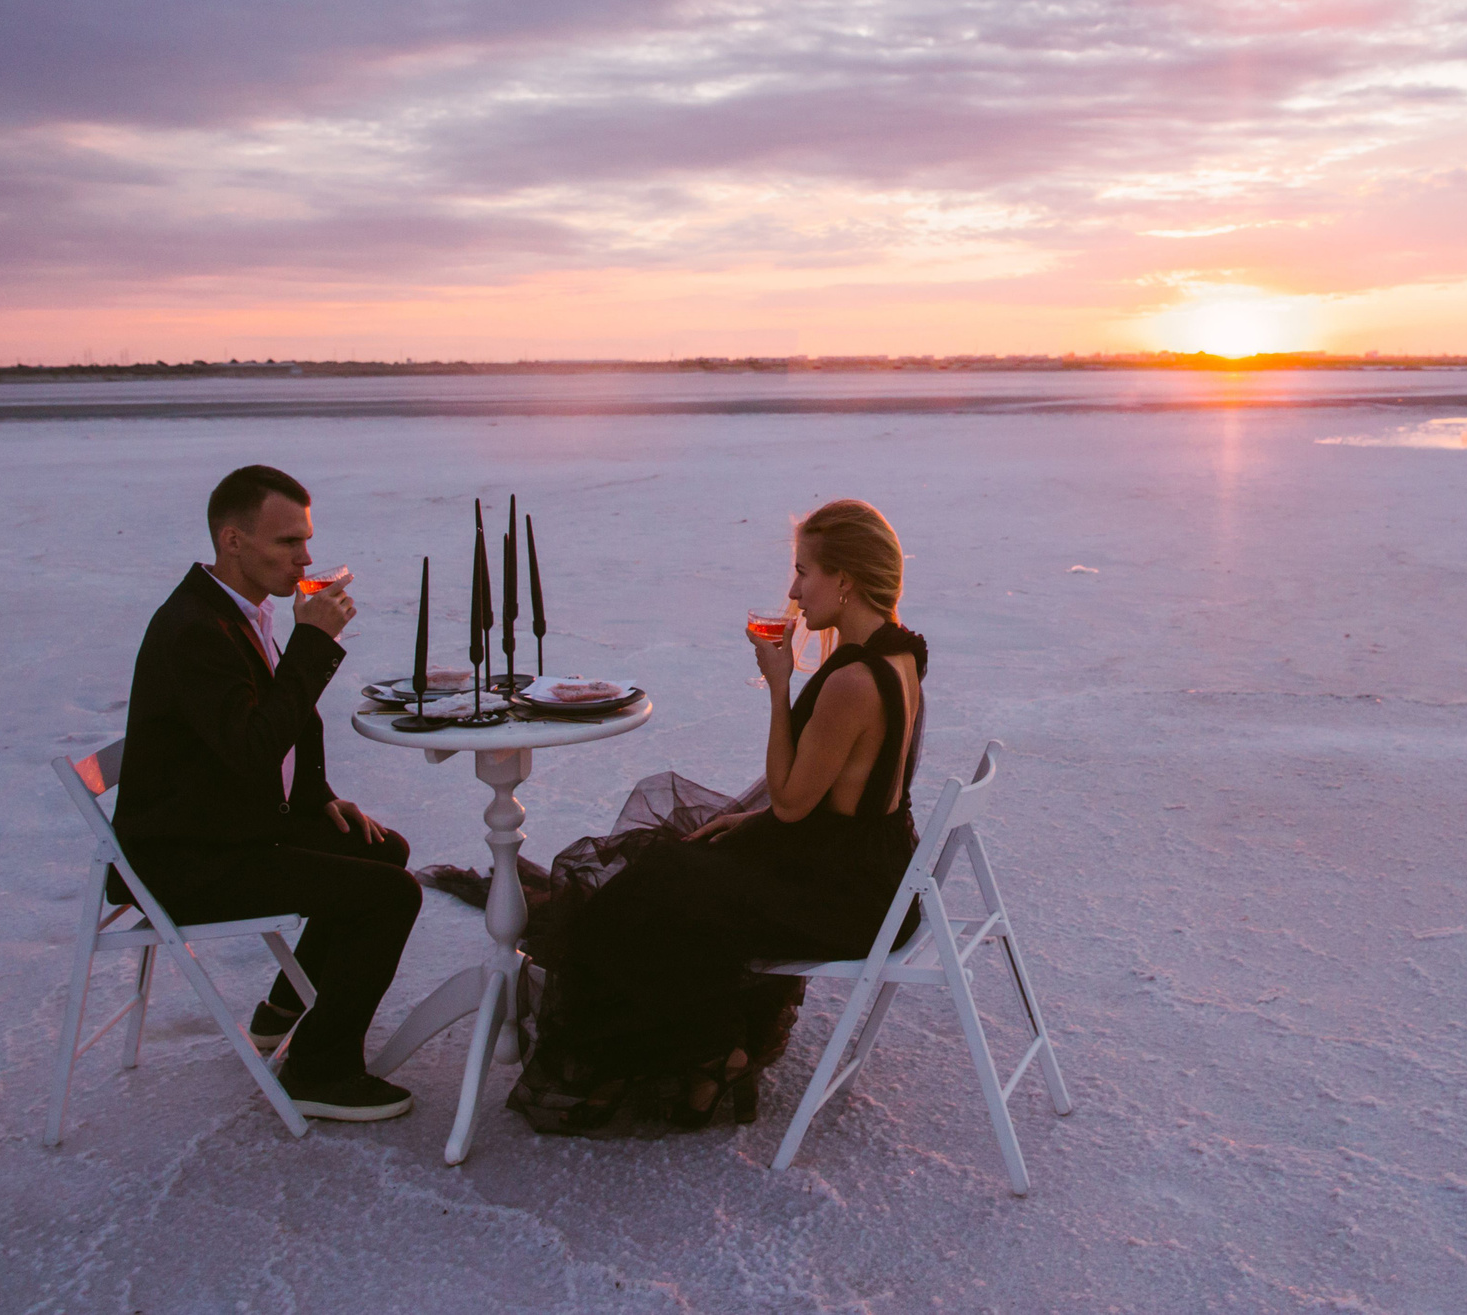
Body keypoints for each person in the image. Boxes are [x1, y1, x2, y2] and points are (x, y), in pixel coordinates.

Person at [507, 498, 927, 1134]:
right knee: (679, 864)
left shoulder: (852, 682)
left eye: (803, 571)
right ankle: (712, 1056)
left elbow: (790, 802)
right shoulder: (900, 654)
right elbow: (843, 796)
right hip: (869, 875)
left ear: (843, 578)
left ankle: (706, 1052)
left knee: (650, 891)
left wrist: (779, 684)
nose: (793, 591)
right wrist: (752, 824)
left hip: (848, 899)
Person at [113, 464, 423, 1123]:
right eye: (288, 542)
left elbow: (268, 724)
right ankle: (319, 1070)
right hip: (189, 859)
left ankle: (280, 1010)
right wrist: (313, 642)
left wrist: (316, 796)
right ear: (233, 540)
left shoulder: (234, 610)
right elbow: (254, 746)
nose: (306, 559)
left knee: (381, 850)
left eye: (306, 540)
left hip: (223, 822)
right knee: (392, 895)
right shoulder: (195, 628)